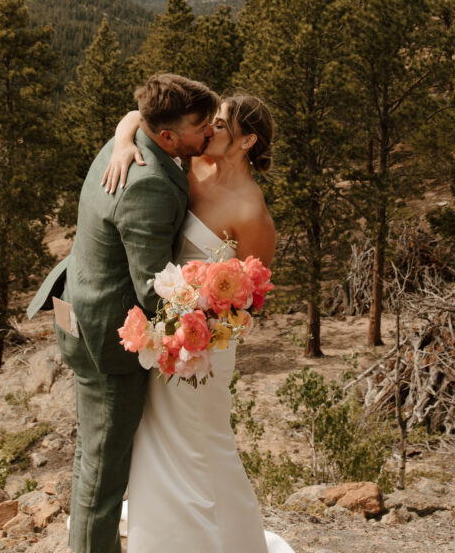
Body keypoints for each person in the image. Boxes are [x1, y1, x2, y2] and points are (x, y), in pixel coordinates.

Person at [26, 73, 218, 553]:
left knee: (95, 457)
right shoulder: (147, 181)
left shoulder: (132, 141)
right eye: (202, 126)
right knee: (104, 469)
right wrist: (205, 322)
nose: (211, 131)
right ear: (169, 137)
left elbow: (135, 114)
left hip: (81, 305)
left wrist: (121, 134)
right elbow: (153, 288)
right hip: (106, 336)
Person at [103, 93, 294, 553]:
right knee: (156, 444)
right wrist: (121, 144)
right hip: (163, 339)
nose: (208, 130)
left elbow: (253, 300)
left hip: (204, 352)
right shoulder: (195, 167)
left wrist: (199, 319)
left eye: (221, 126)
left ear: (247, 140)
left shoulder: (251, 212)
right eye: (208, 122)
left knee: (203, 449)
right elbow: (141, 115)